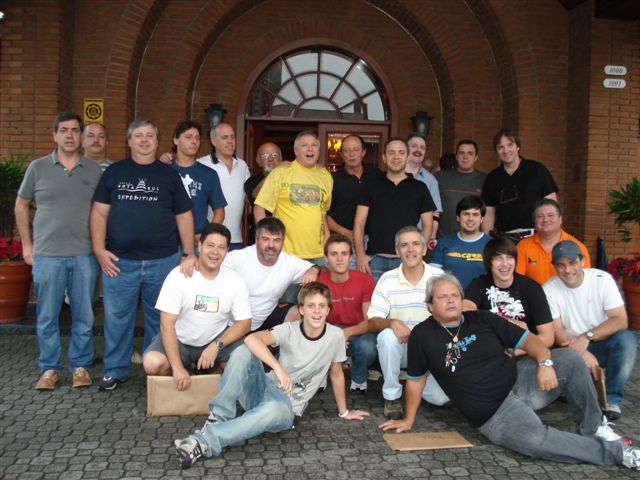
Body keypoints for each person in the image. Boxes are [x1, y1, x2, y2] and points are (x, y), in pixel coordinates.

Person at [380, 274, 640, 471]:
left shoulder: (483, 318)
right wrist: (408, 420)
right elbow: (416, 381)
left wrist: (545, 364)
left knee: (570, 359)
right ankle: (616, 453)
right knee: (535, 442)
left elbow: (532, 341)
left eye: (455, 295)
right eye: (443, 297)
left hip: (521, 382)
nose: (451, 300)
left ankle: (592, 427)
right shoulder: (422, 336)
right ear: (430, 305)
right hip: (495, 413)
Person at [173, 282, 370, 469]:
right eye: (311, 306)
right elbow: (252, 339)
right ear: (301, 310)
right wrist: (278, 368)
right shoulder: (289, 330)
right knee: (243, 351)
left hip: (286, 407)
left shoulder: (335, 336)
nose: (317, 311)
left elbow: (336, 373)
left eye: (322, 306)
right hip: (263, 388)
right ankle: (218, 417)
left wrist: (344, 412)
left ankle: (202, 442)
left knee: (274, 409)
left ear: (328, 310)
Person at [90, 119, 197, 391]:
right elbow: (99, 213)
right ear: (129, 141)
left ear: (157, 141)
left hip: (163, 261)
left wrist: (188, 253)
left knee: (160, 320)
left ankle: (156, 370)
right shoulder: (114, 172)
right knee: (116, 318)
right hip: (119, 263)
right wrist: (99, 250)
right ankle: (114, 370)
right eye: (138, 135)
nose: (145, 140)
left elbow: (184, 215)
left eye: (150, 135)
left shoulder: (169, 175)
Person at [15, 112, 103, 390]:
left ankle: (80, 366)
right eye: (63, 130)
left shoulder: (94, 171)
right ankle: (49, 368)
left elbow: (103, 212)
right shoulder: (38, 167)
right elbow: (21, 204)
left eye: (75, 130)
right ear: (54, 135)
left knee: (84, 315)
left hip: (84, 254)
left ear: (81, 136)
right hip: (47, 255)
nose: (69, 135)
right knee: (47, 316)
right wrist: (27, 245)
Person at [142, 224, 251, 390]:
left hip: (215, 339)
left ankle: (209, 379)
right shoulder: (179, 276)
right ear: (199, 246)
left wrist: (216, 345)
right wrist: (177, 367)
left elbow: (244, 323)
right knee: (152, 363)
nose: (215, 252)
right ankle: (184, 375)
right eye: (210, 245)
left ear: (227, 251)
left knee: (245, 358)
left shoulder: (235, 280)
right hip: (180, 340)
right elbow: (166, 324)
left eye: (221, 247)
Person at [544, 240, 637, 420]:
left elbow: (620, 320)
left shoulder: (602, 280)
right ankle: (569, 389)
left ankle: (610, 399)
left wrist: (587, 338)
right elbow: (557, 332)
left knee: (627, 341)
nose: (567, 270)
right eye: (561, 265)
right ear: (554, 267)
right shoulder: (548, 289)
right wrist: (581, 351)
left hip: (600, 342)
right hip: (567, 348)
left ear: (582, 261)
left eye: (572, 263)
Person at [368, 226, 448, 419]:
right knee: (387, 336)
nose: (410, 249)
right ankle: (392, 396)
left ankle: (418, 380)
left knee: (440, 398)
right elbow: (373, 320)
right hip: (402, 347)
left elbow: (452, 318)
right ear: (397, 251)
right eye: (404, 245)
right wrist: (391, 323)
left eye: (415, 244)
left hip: (431, 350)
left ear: (424, 249)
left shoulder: (439, 277)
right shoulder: (387, 279)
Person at [354, 138, 436, 280]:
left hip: (407, 259)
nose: (396, 157)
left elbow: (428, 224)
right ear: (384, 157)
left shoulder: (420, 188)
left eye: (401, 152)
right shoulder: (370, 185)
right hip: (375, 260)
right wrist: (360, 254)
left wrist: (420, 252)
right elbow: (359, 222)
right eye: (391, 153)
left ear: (407, 157)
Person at [222, 217, 320, 331]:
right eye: (266, 239)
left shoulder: (289, 262)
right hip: (233, 323)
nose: (271, 245)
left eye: (277, 240)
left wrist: (314, 269)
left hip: (266, 319)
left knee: (302, 312)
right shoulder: (237, 257)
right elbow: (209, 269)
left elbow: (322, 269)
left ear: (283, 242)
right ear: (256, 240)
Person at [464, 237, 554, 354]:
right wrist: (509, 322)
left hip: (525, 353)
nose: (505, 264)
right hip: (490, 353)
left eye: (509, 257)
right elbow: (466, 312)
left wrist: (514, 352)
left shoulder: (531, 288)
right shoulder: (479, 285)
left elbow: (548, 338)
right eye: (498, 258)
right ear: (489, 262)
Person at [254, 131, 332, 263]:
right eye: (304, 145)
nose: (310, 148)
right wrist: (266, 240)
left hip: (318, 254)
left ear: (319, 150)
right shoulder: (280, 172)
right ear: (296, 151)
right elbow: (259, 207)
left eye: (314, 145)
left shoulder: (326, 176)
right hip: (286, 254)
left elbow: (322, 211)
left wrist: (327, 241)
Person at [318, 234, 377, 393]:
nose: (339, 259)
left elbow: (370, 322)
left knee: (368, 346)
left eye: (344, 254)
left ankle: (358, 378)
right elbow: (315, 320)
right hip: (329, 330)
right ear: (326, 258)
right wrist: (335, 335)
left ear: (351, 257)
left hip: (358, 331)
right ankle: (320, 373)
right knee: (312, 336)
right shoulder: (319, 283)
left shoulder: (365, 281)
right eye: (334, 254)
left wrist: (345, 333)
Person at [482, 129, 558, 235]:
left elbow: (552, 205)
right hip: (505, 239)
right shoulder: (492, 178)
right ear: (497, 151)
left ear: (518, 146)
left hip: (535, 236)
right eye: (500, 147)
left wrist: (552, 235)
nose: (506, 150)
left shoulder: (537, 170)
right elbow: (489, 214)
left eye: (510, 145)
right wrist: (487, 240)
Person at [170, 121, 226, 243]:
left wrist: (207, 235)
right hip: (168, 243)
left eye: (197, 138)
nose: (194, 141)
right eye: (188, 137)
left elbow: (219, 211)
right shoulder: (164, 171)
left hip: (197, 242)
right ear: (176, 140)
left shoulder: (208, 174)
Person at [197, 123, 250, 250]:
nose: (230, 141)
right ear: (213, 141)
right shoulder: (201, 164)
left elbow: (248, 197)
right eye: (225, 137)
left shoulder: (242, 165)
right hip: (210, 238)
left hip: (235, 238)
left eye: (232, 137)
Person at [517, 199, 591, 285]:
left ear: (560, 219)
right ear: (534, 221)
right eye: (540, 216)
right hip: (533, 293)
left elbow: (585, 281)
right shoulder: (523, 246)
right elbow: (517, 280)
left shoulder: (577, 246)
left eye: (550, 215)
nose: (545, 219)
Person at [326, 135, 383, 242]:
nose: (351, 154)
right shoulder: (332, 180)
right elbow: (324, 215)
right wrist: (345, 232)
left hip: (374, 240)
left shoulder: (377, 176)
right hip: (343, 240)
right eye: (347, 151)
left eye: (356, 150)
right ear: (341, 154)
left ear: (363, 152)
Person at [429, 195, 491, 289]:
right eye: (466, 214)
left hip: (482, 297)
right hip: (449, 296)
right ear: (458, 217)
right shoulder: (443, 243)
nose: (470, 218)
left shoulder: (492, 244)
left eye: (475, 214)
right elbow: (433, 278)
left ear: (482, 218)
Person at [434, 139, 486, 237]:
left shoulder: (485, 180)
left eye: (470, 153)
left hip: (473, 240)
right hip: (444, 239)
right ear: (456, 156)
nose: (465, 157)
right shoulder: (439, 178)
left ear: (476, 157)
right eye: (461, 153)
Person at [405, 133, 442, 240]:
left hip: (419, 239)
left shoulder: (431, 180)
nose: (418, 150)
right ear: (406, 149)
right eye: (414, 146)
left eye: (422, 147)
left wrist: (431, 239)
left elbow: (435, 213)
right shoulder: (395, 175)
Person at [244, 142, 282, 244]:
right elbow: (255, 195)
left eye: (275, 155)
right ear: (258, 161)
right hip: (262, 236)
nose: (271, 159)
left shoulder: (290, 178)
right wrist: (275, 173)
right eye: (265, 155)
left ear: (281, 159)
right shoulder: (251, 182)